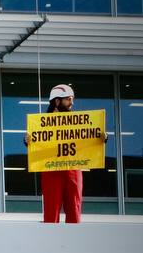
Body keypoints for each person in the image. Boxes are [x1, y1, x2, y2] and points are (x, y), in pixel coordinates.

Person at [28, 84, 105, 224]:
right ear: (57, 101)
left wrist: (101, 138)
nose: (72, 103)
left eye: (72, 99)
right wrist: (28, 141)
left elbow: (87, 140)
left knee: (74, 212)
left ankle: (74, 243)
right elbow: (38, 146)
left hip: (73, 170)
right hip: (51, 171)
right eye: (68, 99)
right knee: (51, 215)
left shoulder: (79, 123)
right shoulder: (41, 125)